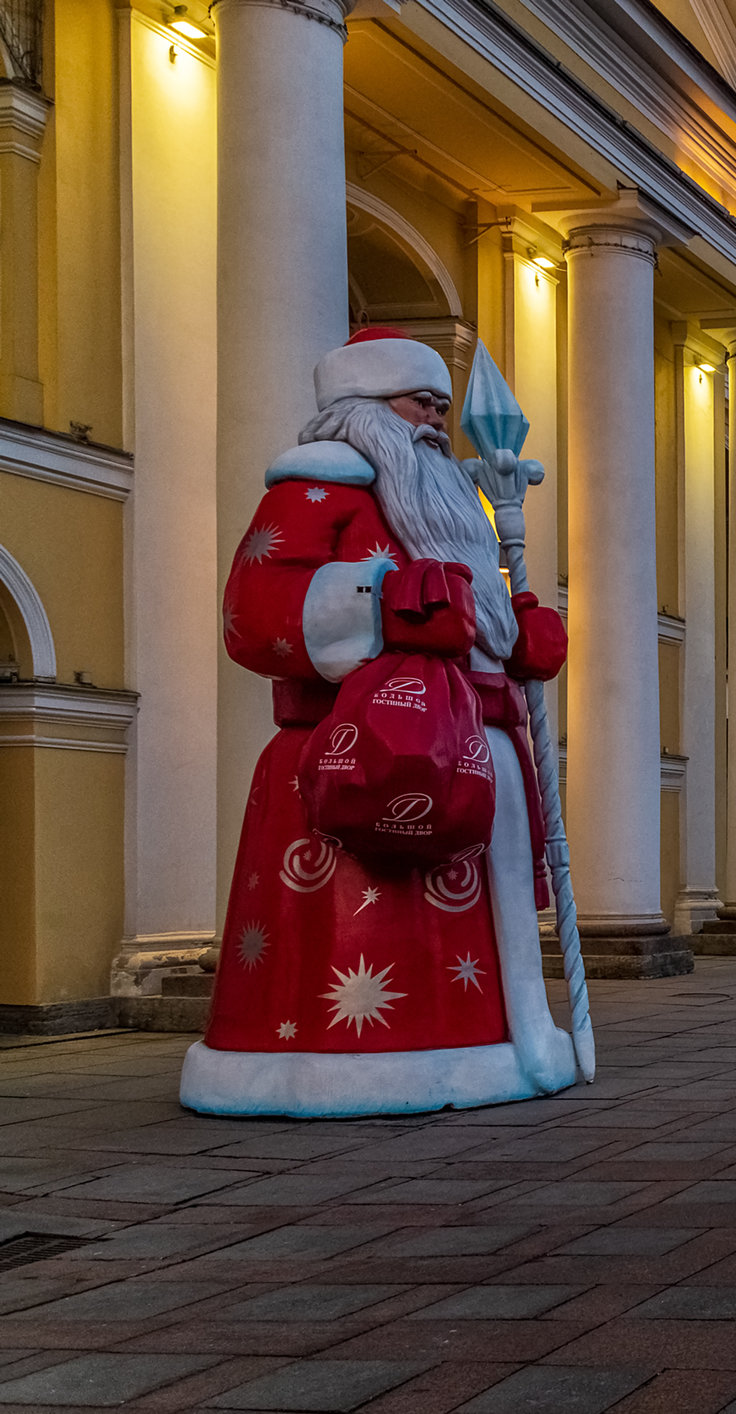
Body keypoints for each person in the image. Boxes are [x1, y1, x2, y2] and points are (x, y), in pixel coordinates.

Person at [182, 329, 574, 1117]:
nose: (434, 418)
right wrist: (384, 604)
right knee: (362, 923)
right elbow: (253, 616)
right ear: (362, 407)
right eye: (417, 401)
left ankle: (488, 1040)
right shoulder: (313, 492)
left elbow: (475, 624)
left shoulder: (450, 504)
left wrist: (516, 633)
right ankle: (340, 1064)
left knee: (468, 924)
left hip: (474, 747)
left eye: (439, 403)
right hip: (352, 755)